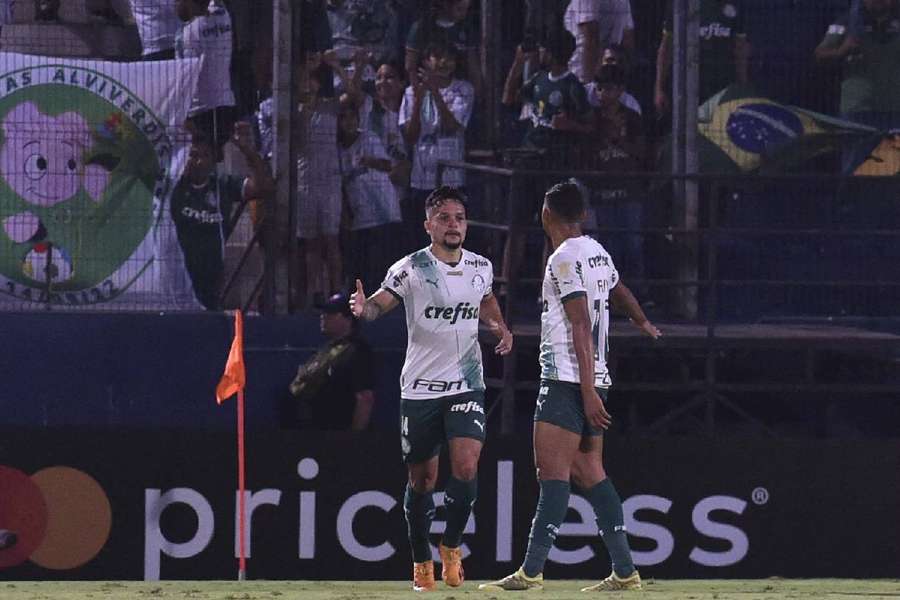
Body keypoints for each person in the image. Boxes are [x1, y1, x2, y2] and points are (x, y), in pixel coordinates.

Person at [479, 180, 660, 593]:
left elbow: (580, 323)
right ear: (581, 215)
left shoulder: (562, 259)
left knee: (552, 473)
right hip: (594, 377)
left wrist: (586, 390)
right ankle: (625, 571)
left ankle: (530, 572)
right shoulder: (596, 250)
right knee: (589, 470)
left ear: (547, 215)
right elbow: (620, 290)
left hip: (566, 378)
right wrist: (642, 321)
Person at [349, 185, 513, 592]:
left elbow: (486, 300)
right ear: (428, 226)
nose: (453, 224)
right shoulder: (409, 269)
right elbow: (378, 306)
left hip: (465, 383)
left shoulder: (480, 266)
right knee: (423, 481)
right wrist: (362, 308)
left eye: (459, 218)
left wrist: (499, 327)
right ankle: (421, 557)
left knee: (467, 466)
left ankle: (451, 547)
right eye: (444, 218)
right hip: (420, 388)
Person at [171, 122, 274, 310]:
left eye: (205, 156)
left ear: (213, 160)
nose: (199, 162)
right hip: (177, 281)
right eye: (193, 156)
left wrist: (248, 150)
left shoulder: (222, 185)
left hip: (212, 283)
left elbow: (262, 186)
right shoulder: (174, 188)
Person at [399, 41, 474, 250]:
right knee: (422, 242)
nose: (444, 63)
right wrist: (420, 96)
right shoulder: (410, 92)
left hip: (451, 179)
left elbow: (452, 127)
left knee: (450, 240)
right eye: (438, 56)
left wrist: (435, 91)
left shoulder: (463, 89)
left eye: (449, 58)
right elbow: (410, 135)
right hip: (421, 180)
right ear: (426, 61)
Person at [337, 93, 402, 292]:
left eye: (352, 117)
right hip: (359, 216)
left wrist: (368, 161)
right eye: (344, 118)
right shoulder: (337, 149)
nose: (349, 122)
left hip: (383, 212)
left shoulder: (368, 137)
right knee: (361, 270)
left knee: (383, 268)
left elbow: (387, 164)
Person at [288, 291, 376, 431]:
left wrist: (355, 439)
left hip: (337, 434)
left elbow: (365, 398)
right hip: (313, 431)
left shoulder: (357, 351)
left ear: (347, 319)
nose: (323, 317)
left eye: (331, 313)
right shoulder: (327, 349)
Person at [655, 0, 749, 114]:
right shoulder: (680, 4)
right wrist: (659, 87)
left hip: (722, 89)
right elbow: (666, 48)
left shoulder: (736, 4)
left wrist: (742, 87)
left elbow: (740, 49)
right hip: (686, 90)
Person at [176, 0, 236, 151]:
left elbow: (185, 77)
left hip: (200, 109)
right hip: (226, 102)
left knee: (206, 159)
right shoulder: (223, 15)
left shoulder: (187, 33)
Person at [564, 0, 635, 84]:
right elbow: (627, 39)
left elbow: (591, 38)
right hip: (610, 80)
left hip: (579, 76)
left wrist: (588, 84)